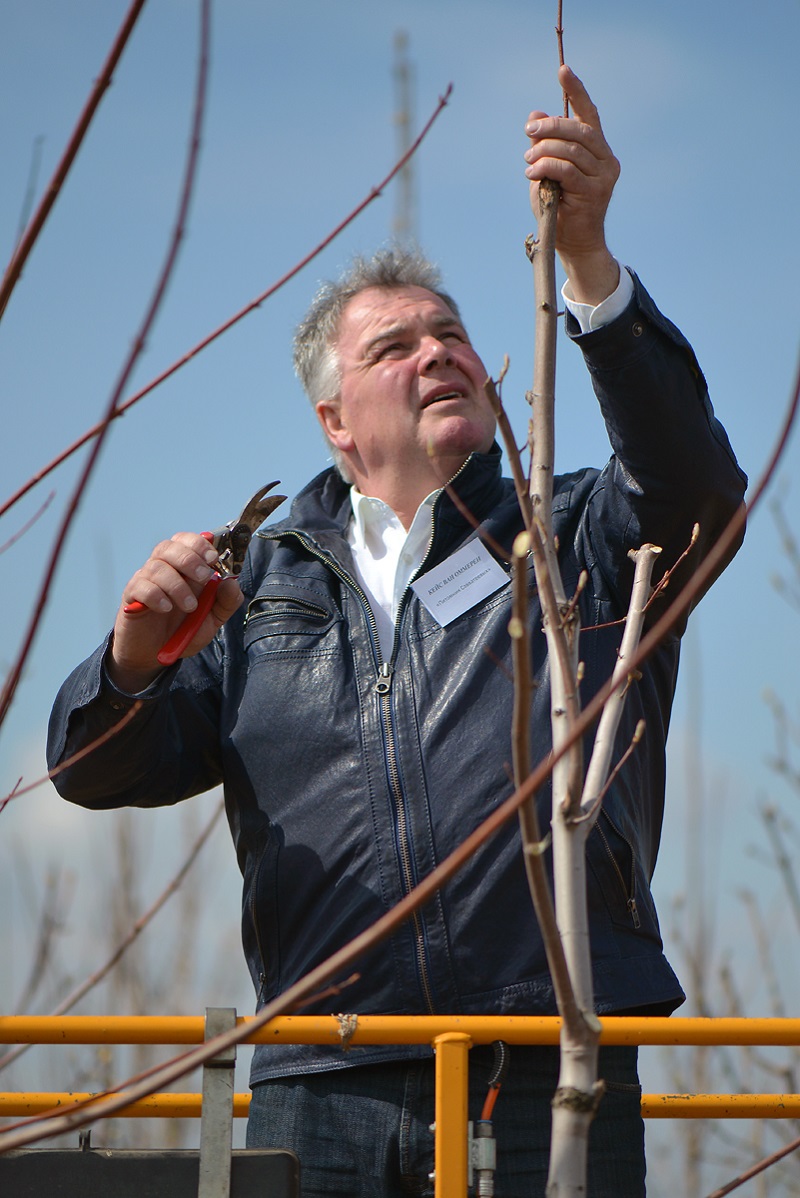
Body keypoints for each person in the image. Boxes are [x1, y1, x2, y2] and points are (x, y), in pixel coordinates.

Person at [48, 67, 746, 1196]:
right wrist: (132, 660)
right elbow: (90, 770)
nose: (437, 351)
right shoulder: (257, 589)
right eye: (393, 348)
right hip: (317, 1081)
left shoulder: (571, 535)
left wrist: (588, 267)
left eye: (451, 334)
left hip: (544, 1068)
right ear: (332, 420)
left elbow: (695, 493)